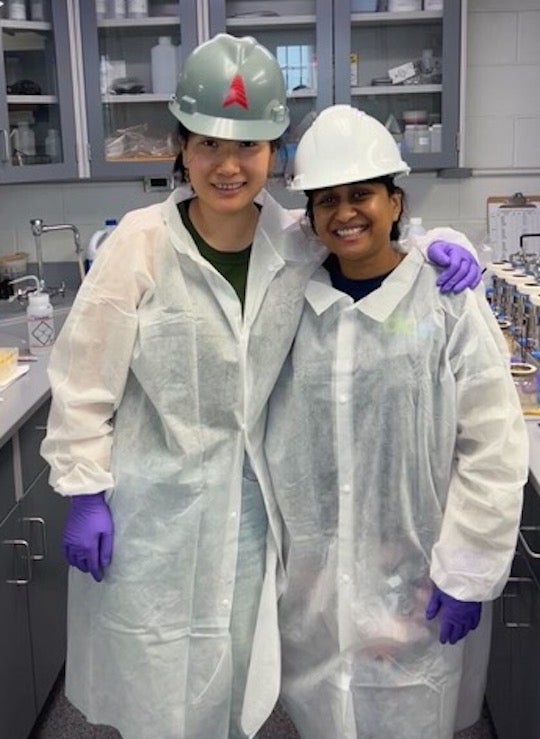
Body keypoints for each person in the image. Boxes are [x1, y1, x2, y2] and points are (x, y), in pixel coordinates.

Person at [41, 35, 481, 739]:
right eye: (209, 144)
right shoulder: (140, 244)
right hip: (152, 515)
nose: (228, 164)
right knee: (157, 686)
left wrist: (438, 245)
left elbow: (366, 242)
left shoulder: (294, 239)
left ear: (273, 152)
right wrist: (85, 490)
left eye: (247, 146)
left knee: (238, 684)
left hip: (256, 520)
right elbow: (83, 376)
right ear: (180, 150)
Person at [264, 106, 529, 739]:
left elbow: (491, 444)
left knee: (412, 716)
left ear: (394, 199)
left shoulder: (444, 301)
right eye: (327, 200)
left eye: (362, 195)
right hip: (316, 584)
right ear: (310, 215)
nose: (345, 212)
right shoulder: (292, 304)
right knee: (324, 714)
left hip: (418, 576)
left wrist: (467, 570)